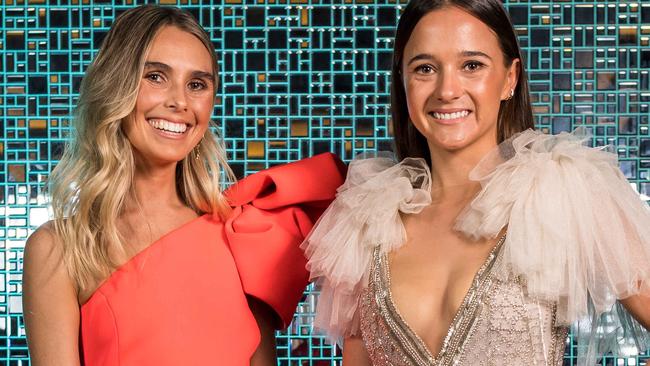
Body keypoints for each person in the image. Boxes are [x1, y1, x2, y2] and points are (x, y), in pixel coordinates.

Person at [302, 1, 650, 365]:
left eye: (472, 65)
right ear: (402, 80)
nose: (447, 89)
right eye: (425, 68)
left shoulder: (562, 191)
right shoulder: (367, 221)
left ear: (510, 78)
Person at [22, 5, 345, 365]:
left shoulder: (244, 234)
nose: (179, 102)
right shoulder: (60, 249)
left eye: (197, 84)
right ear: (116, 85)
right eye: (156, 77)